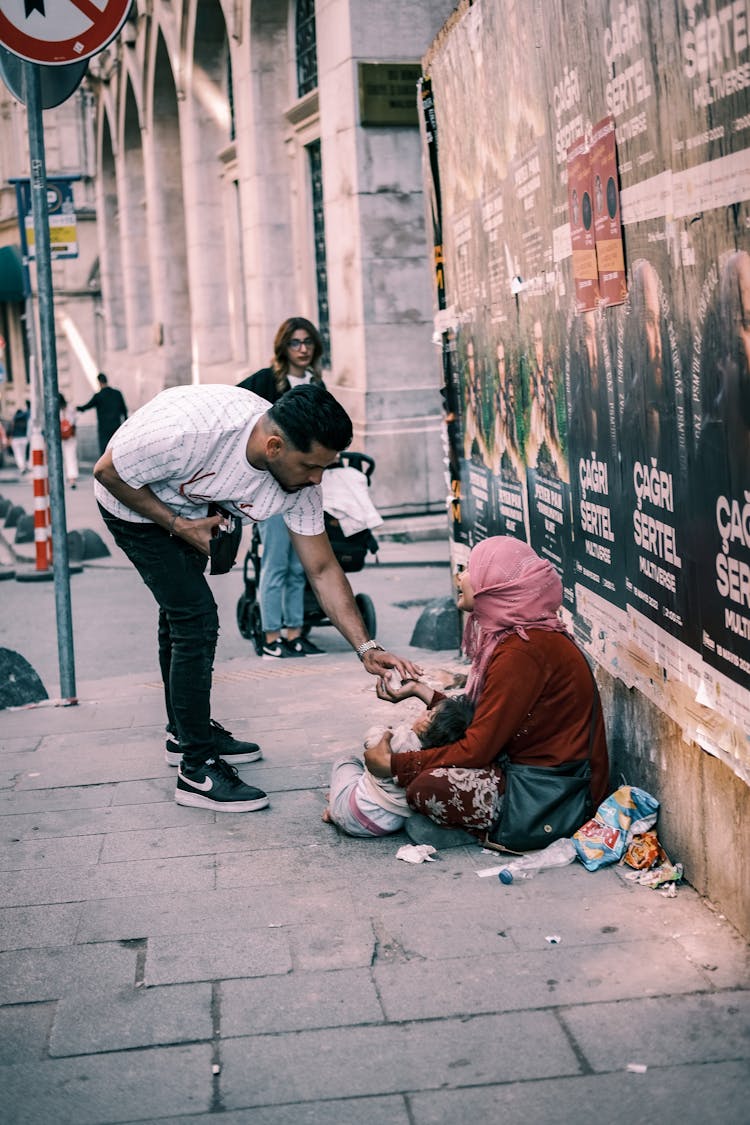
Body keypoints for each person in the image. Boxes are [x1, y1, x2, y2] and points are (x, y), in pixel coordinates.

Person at [93, 381, 420, 814]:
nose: (317, 479)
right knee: (195, 617)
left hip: (191, 511)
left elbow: (322, 569)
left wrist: (366, 647)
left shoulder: (301, 484)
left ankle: (185, 731)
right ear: (274, 446)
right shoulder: (185, 433)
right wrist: (175, 524)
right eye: (311, 465)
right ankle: (197, 770)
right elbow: (107, 471)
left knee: (179, 612)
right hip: (133, 505)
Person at [364, 536, 609, 847]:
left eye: (470, 569)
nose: (460, 576)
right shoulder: (515, 638)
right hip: (527, 771)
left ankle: (477, 830)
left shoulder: (524, 649)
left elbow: (478, 747)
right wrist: (421, 692)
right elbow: (486, 717)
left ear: (497, 584)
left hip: (551, 793)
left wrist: (395, 767)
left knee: (425, 786)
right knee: (418, 745)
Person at [238, 318, 326, 658]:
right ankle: (271, 636)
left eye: (308, 343)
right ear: (283, 347)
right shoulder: (265, 381)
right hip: (270, 490)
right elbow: (236, 406)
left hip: (304, 490)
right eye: (295, 343)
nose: (303, 349)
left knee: (297, 566)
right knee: (274, 563)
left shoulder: (317, 385)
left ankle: (294, 632)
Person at [322, 694, 474, 838]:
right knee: (365, 779)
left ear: (426, 724)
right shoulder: (440, 757)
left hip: (353, 814)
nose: (425, 711)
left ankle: (334, 810)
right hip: (386, 825)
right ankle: (340, 798)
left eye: (429, 712)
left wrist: (384, 731)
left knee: (347, 762)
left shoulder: (402, 739)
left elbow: (371, 742)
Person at [77, 372, 128, 455]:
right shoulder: (117, 393)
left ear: (99, 382)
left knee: (105, 451)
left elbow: (87, 406)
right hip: (116, 426)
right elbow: (124, 410)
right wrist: (125, 424)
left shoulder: (98, 396)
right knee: (117, 449)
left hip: (104, 428)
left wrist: (78, 408)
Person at [59, 393, 78, 489]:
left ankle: (64, 479)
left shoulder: (56, 410)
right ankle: (72, 479)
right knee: (71, 457)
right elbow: (74, 421)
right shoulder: (70, 408)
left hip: (60, 437)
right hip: (70, 436)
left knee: (61, 458)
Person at [10, 400, 30, 473]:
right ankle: (24, 466)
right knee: (23, 453)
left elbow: (10, 430)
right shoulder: (25, 418)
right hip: (24, 437)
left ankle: (21, 467)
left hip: (15, 438)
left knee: (18, 454)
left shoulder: (14, 419)